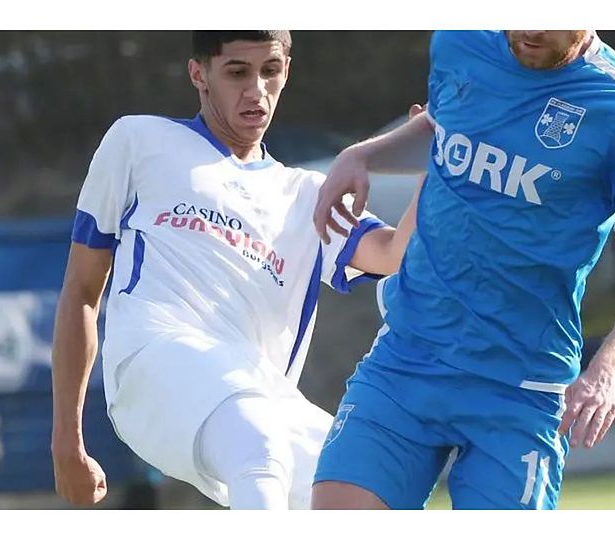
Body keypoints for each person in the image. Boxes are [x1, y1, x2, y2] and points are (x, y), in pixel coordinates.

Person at [311, 30, 615, 510]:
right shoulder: (459, 42)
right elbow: (448, 130)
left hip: (520, 388)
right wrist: (364, 155)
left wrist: (608, 371)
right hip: (408, 358)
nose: (528, 29)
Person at [50, 30, 419, 510]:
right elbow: (81, 290)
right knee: (256, 440)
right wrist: (66, 442)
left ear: (287, 71)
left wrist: (436, 168)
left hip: (262, 394)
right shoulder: (137, 140)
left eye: (270, 71)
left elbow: (393, 254)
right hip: (151, 362)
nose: (256, 90)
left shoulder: (308, 192)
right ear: (198, 74)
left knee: (367, 489)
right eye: (237, 72)